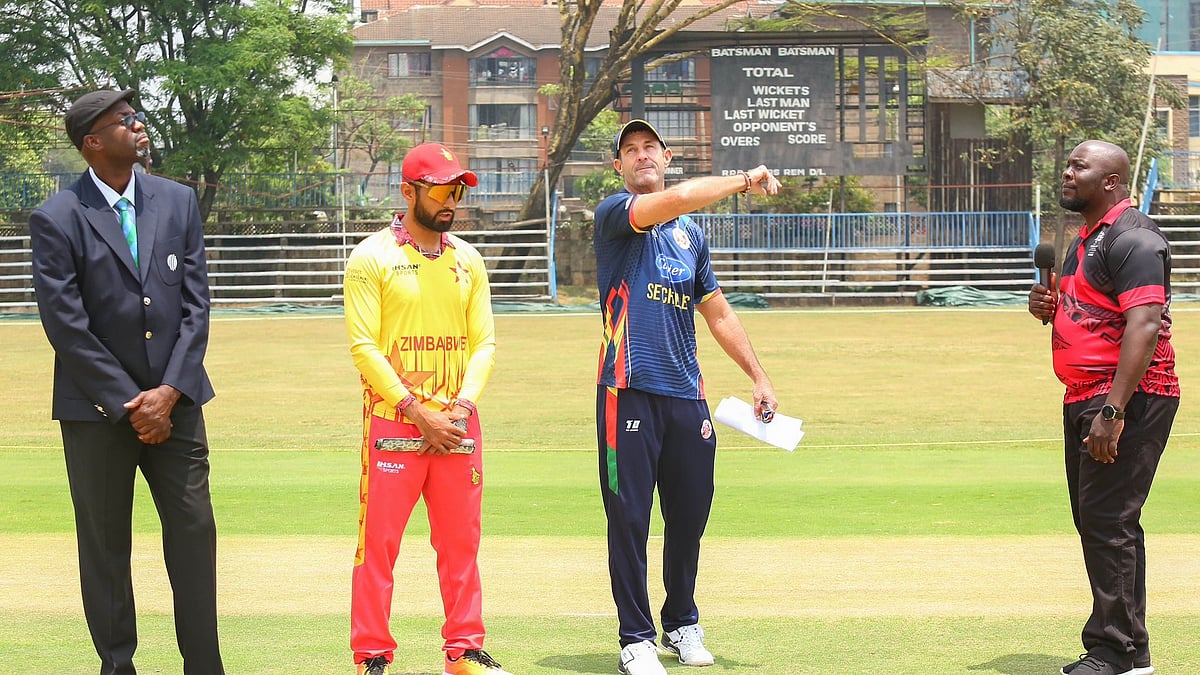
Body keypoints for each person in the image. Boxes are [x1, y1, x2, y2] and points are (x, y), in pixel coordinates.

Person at [29, 88, 224, 674]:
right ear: (92, 142)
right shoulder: (56, 217)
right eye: (125, 121)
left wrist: (168, 394)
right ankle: (118, 665)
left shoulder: (178, 201)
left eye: (137, 118)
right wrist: (129, 402)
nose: (139, 127)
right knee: (106, 546)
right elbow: (66, 325)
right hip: (96, 413)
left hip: (178, 404)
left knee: (194, 537)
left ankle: (204, 666)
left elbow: (197, 307)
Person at [592, 119, 781, 675]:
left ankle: (681, 622)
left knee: (690, 515)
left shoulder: (689, 236)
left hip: (686, 393)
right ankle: (636, 639)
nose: (641, 156)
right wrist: (745, 179)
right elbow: (672, 200)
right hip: (627, 389)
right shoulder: (615, 214)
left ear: (667, 155)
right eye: (631, 151)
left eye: (650, 147)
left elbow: (717, 311)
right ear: (619, 166)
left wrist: (758, 375)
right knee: (629, 518)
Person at [343, 142, 509, 675]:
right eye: (441, 188)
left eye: (457, 189)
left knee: (461, 544)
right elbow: (364, 347)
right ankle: (372, 653)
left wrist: (459, 409)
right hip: (396, 423)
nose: (451, 200)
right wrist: (418, 411)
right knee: (379, 547)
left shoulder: (469, 259)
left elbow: (483, 343)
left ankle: (463, 650)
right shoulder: (372, 257)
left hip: (458, 424)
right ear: (409, 190)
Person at [1028, 140, 1180, 675]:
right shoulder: (1084, 240)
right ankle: (1130, 653)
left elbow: (1142, 323)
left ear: (1111, 180)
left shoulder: (1134, 238)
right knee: (1102, 522)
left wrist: (1112, 413)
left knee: (1108, 521)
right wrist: (1046, 305)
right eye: (1066, 163)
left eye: (1079, 167)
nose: (1066, 173)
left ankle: (1114, 652)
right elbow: (1088, 311)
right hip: (1085, 395)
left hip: (1127, 396)